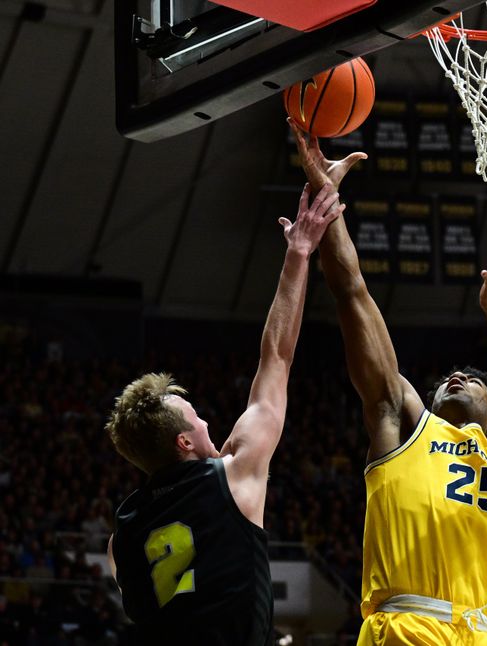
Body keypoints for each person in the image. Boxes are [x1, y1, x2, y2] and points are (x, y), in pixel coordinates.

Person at [290, 119, 487, 645]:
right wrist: (326, 191)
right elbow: (354, 294)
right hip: (406, 626)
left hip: (479, 635)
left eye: (475, 383)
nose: (457, 377)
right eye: (450, 379)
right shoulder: (403, 425)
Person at [105, 184, 343, 645]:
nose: (207, 422)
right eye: (196, 418)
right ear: (184, 442)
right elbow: (277, 358)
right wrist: (299, 252)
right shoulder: (233, 478)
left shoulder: (123, 536)